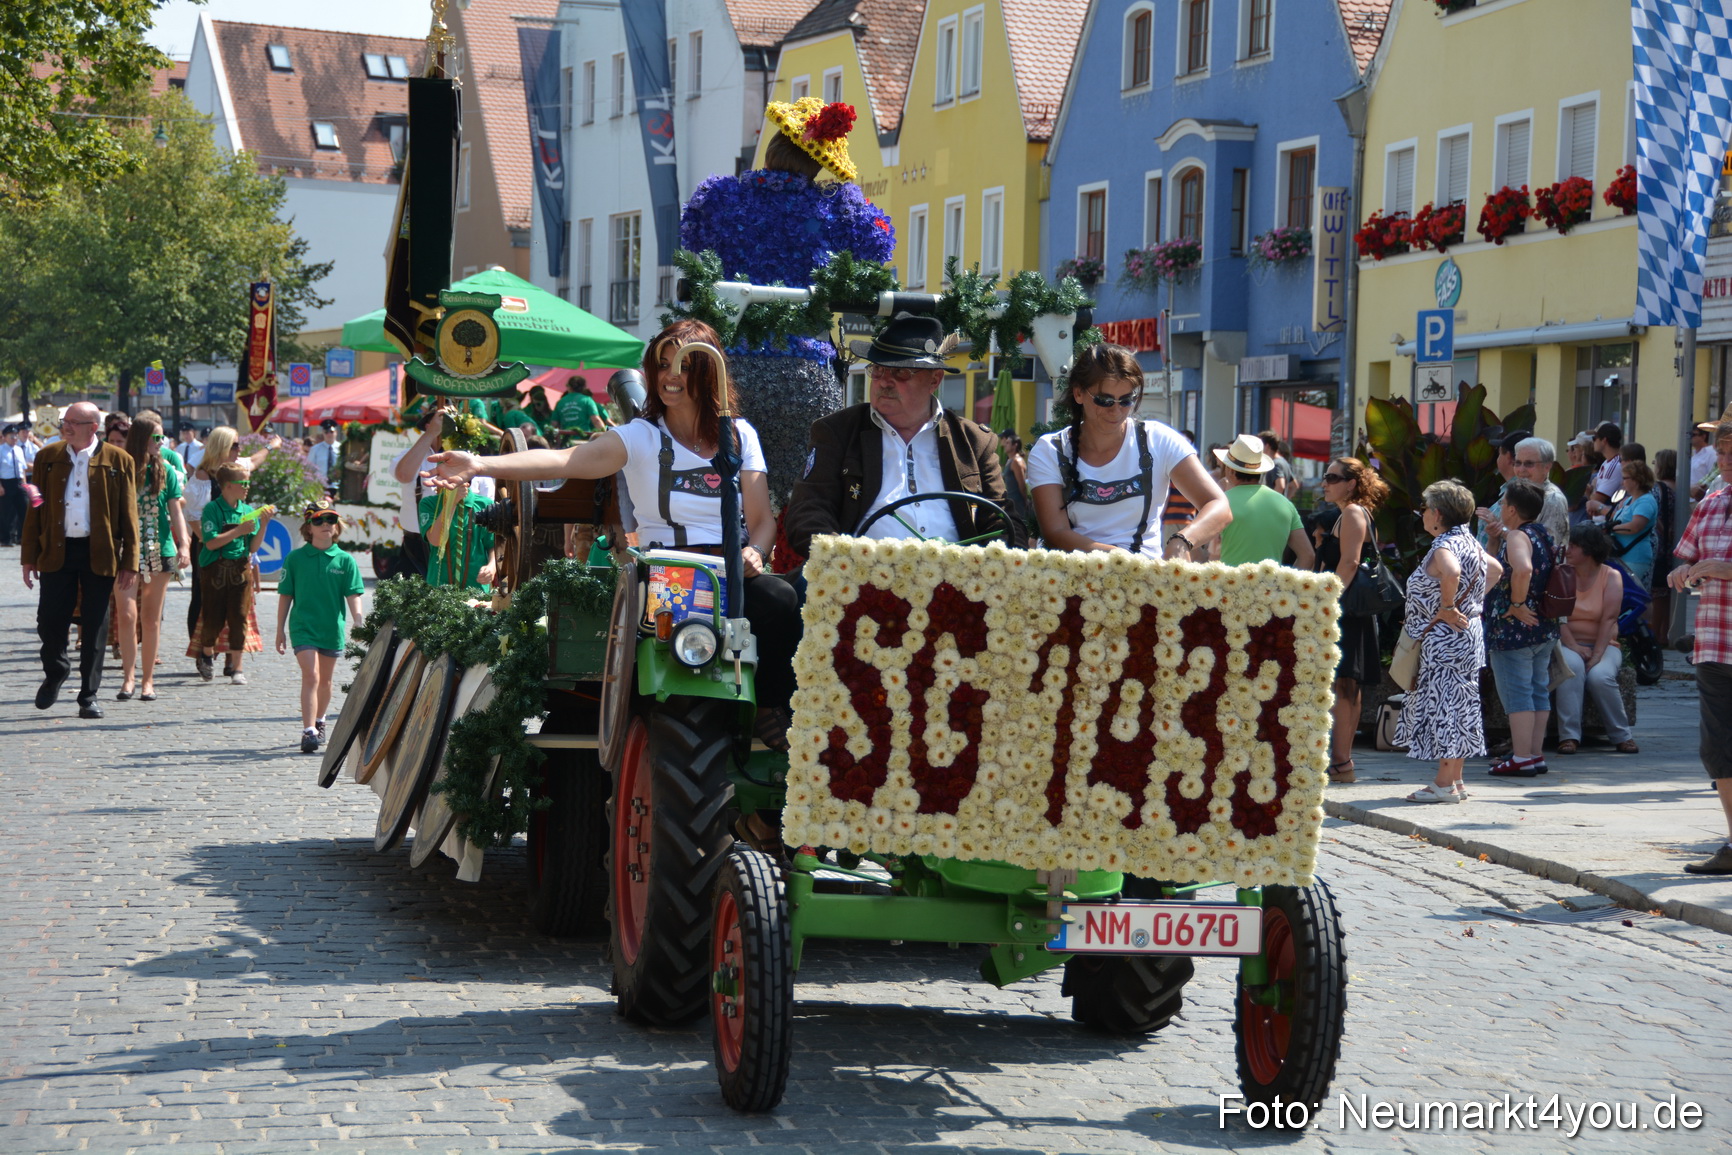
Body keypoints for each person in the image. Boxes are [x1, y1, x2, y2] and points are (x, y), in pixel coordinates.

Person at [426, 318, 802, 749]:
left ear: (706, 371)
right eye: (661, 365)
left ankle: (771, 706)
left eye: (681, 364)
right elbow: (567, 461)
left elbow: (762, 520)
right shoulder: (639, 437)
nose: (668, 377)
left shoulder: (739, 435)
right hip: (668, 573)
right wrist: (480, 464)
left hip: (732, 570)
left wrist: (756, 552)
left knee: (784, 598)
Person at [786, 314, 1021, 556]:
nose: (884, 382)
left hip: (956, 580)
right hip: (861, 578)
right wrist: (848, 558)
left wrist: (990, 569)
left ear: (934, 380)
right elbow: (809, 511)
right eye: (877, 370)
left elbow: (1002, 520)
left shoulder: (974, 441)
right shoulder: (838, 431)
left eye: (900, 372)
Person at [1027, 344, 1228, 560]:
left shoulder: (1158, 440)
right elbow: (1055, 533)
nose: (1116, 410)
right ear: (1078, 393)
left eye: (1126, 400)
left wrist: (1182, 541)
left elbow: (1219, 505)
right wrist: (1118, 556)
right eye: (1104, 400)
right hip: (1075, 577)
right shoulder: (1050, 449)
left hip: (1144, 581)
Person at [21, 401, 140, 718]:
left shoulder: (119, 460)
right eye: (65, 421)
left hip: (99, 552)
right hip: (56, 551)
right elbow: (35, 509)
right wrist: (28, 556)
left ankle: (88, 695)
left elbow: (129, 515)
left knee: (96, 625)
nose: (66, 426)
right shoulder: (46, 457)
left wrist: (130, 561)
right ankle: (56, 671)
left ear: (93, 427)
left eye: (74, 422)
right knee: (49, 621)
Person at [1397, 480, 1503, 803]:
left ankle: (1443, 783)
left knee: (1445, 705)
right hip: (1468, 634)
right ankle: (1455, 780)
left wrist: (1447, 607)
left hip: (1444, 639)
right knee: (1461, 704)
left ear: (1438, 513)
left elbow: (1451, 570)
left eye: (1425, 509)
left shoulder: (1444, 546)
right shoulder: (1470, 541)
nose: (1423, 515)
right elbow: (1496, 569)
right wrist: (1469, 605)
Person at [1668, 424, 1732, 873]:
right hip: (1714, 640)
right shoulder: (1710, 503)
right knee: (1718, 748)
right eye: (1721, 452)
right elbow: (1687, 556)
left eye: (1731, 452)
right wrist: (1682, 571)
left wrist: (1726, 568)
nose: (1724, 461)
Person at [1315, 456, 1388, 784]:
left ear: (1352, 483)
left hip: (1346, 610)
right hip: (1346, 609)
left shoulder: (1353, 513)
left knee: (1345, 684)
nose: (1325, 483)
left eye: (1332, 477)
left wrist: (1325, 602)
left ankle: (1342, 761)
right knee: (1345, 684)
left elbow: (1350, 563)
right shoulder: (1348, 514)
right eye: (1325, 477)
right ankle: (1341, 762)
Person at [1482, 479, 1558, 777]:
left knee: (1518, 694)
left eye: (1503, 503)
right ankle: (1535, 754)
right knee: (1538, 690)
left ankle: (1522, 756)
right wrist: (1494, 541)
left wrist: (1515, 602)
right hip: (1543, 626)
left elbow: (1523, 569)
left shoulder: (1517, 536)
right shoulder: (1542, 534)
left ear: (1512, 509)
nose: (1500, 507)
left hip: (1514, 629)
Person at [276, 501, 365, 753]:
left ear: (336, 527)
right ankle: (308, 731)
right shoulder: (295, 559)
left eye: (331, 520)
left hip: (331, 627)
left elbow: (353, 594)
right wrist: (280, 629)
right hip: (303, 626)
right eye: (319, 520)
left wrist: (357, 619)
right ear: (309, 528)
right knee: (311, 675)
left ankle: (320, 720)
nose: (326, 525)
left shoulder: (345, 560)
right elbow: (285, 595)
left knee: (325, 681)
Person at [113, 415, 187, 702]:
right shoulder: (123, 468)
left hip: (160, 548)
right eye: (156, 438)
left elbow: (176, 510)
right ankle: (127, 678)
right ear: (142, 439)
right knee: (127, 614)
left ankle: (147, 681)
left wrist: (183, 545)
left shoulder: (165, 470)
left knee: (151, 619)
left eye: (162, 438)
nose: (161, 443)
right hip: (127, 551)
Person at [1556, 524, 1637, 757]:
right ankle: (1569, 737)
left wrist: (1598, 654)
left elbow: (1609, 618)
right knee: (1571, 668)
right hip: (1568, 642)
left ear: (1589, 550)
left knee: (1600, 676)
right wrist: (1573, 646)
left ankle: (1623, 736)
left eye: (1573, 546)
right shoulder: (1561, 573)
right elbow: (1557, 617)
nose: (1567, 550)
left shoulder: (1611, 576)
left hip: (1604, 643)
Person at [198, 463, 272, 685]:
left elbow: (252, 548)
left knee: (239, 617)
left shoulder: (248, 511)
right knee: (213, 618)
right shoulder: (212, 509)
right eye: (244, 483)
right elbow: (210, 543)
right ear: (228, 486)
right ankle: (207, 654)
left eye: (249, 482)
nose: (248, 487)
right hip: (214, 571)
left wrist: (264, 524)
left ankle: (237, 667)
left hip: (240, 570)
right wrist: (238, 530)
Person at [1210, 434, 1312, 567]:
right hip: (1271, 586)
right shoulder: (1285, 504)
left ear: (1230, 470)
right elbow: (1308, 556)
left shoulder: (1221, 503)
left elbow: (1211, 554)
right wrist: (1288, 586)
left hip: (1230, 585)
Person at [419, 479, 498, 593]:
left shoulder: (485, 505)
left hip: (476, 588)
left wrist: (491, 567)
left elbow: (493, 545)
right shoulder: (429, 504)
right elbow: (435, 540)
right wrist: (452, 502)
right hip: (438, 588)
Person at [1609, 457, 1659, 587]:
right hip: (1623, 555)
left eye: (1625, 478)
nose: (1622, 482)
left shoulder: (1646, 501)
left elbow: (1635, 526)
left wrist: (1610, 529)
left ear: (1637, 480)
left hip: (1635, 557)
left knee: (1628, 594)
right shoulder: (1628, 500)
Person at [1475, 429, 1528, 547]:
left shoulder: (1521, 494)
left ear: (1509, 457)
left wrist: (1499, 528)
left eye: (1499, 453)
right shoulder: (1512, 491)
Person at [553, 377, 613, 441]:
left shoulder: (560, 402)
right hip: (584, 439)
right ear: (584, 387)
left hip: (566, 441)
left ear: (569, 387)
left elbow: (554, 424)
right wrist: (605, 436)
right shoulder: (587, 400)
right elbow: (596, 421)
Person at [1585, 421, 1623, 519]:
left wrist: (1590, 491)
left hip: (1607, 525)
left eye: (1595, 438)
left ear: (1604, 441)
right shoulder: (1607, 463)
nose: (1593, 442)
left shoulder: (1614, 466)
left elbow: (1597, 500)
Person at [0, 424, 29, 546]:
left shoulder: (18, 450)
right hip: (6, 482)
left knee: (24, 509)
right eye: (11, 436)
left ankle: (22, 537)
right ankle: (5, 539)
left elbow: (22, 468)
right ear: (5, 437)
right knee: (6, 512)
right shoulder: (1, 450)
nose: (14, 439)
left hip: (19, 482)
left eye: (15, 436)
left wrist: (25, 484)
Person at [1257, 429, 1299, 499]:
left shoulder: (1275, 464)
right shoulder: (1283, 462)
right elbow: (1294, 485)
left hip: (1271, 507)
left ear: (1267, 446)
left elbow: (1280, 486)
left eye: (1260, 445)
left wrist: (1271, 503)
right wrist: (1285, 501)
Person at [308, 419, 341, 485]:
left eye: (331, 432)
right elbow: (309, 467)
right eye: (326, 432)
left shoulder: (341, 448)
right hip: (320, 486)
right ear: (323, 433)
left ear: (336, 432)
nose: (329, 434)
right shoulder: (315, 449)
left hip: (337, 486)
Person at [1690, 426, 1715, 493]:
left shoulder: (1711, 453)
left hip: (1702, 497)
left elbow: (1713, 477)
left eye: (1693, 435)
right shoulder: (1694, 455)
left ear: (1703, 437)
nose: (1690, 437)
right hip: (1689, 497)